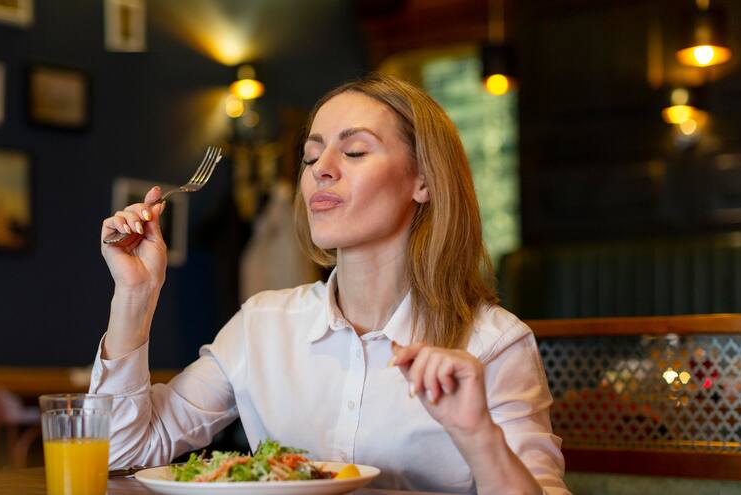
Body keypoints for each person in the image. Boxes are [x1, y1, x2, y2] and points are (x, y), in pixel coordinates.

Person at [91, 74, 569, 494]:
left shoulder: (494, 344)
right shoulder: (263, 324)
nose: (321, 168)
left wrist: (480, 437)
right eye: (311, 155)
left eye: (355, 150)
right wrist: (134, 296)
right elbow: (120, 456)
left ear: (423, 181)